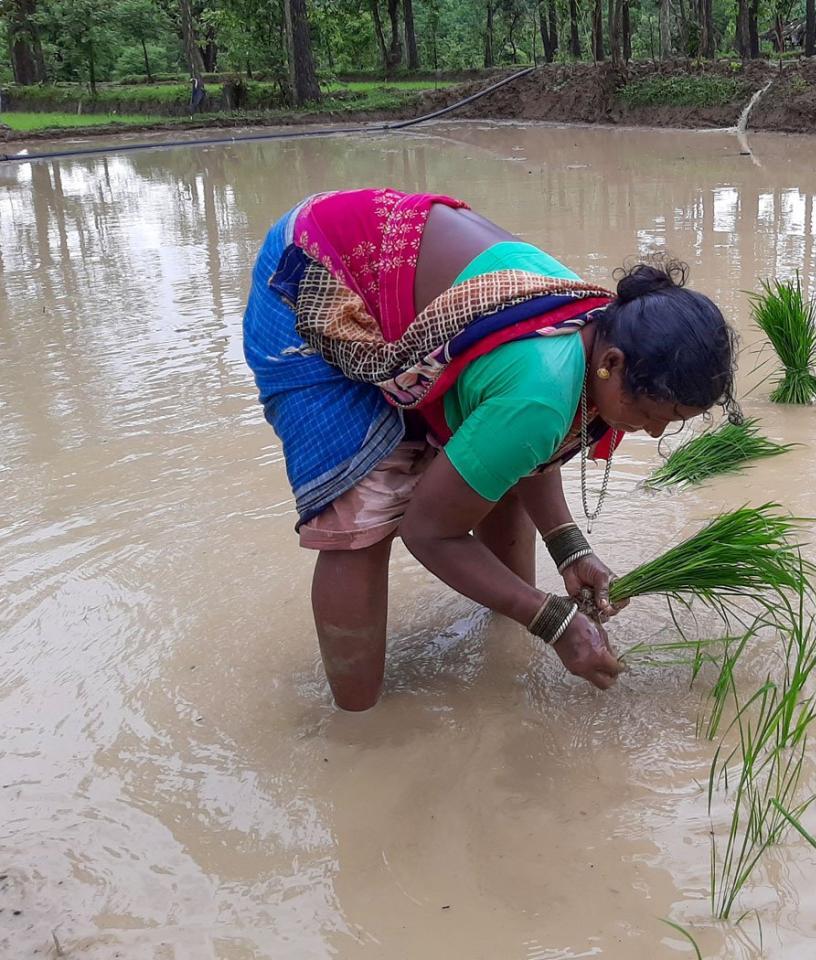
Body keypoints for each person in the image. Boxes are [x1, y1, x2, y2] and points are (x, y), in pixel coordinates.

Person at [242, 189, 736, 711]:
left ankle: (503, 653)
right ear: (611, 363)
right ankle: (358, 726)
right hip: (316, 278)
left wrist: (570, 548)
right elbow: (428, 532)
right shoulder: (542, 389)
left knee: (489, 478)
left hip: (391, 271)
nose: (654, 433)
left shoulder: (604, 324)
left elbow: (525, 451)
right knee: (363, 516)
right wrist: (553, 619)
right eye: (651, 415)